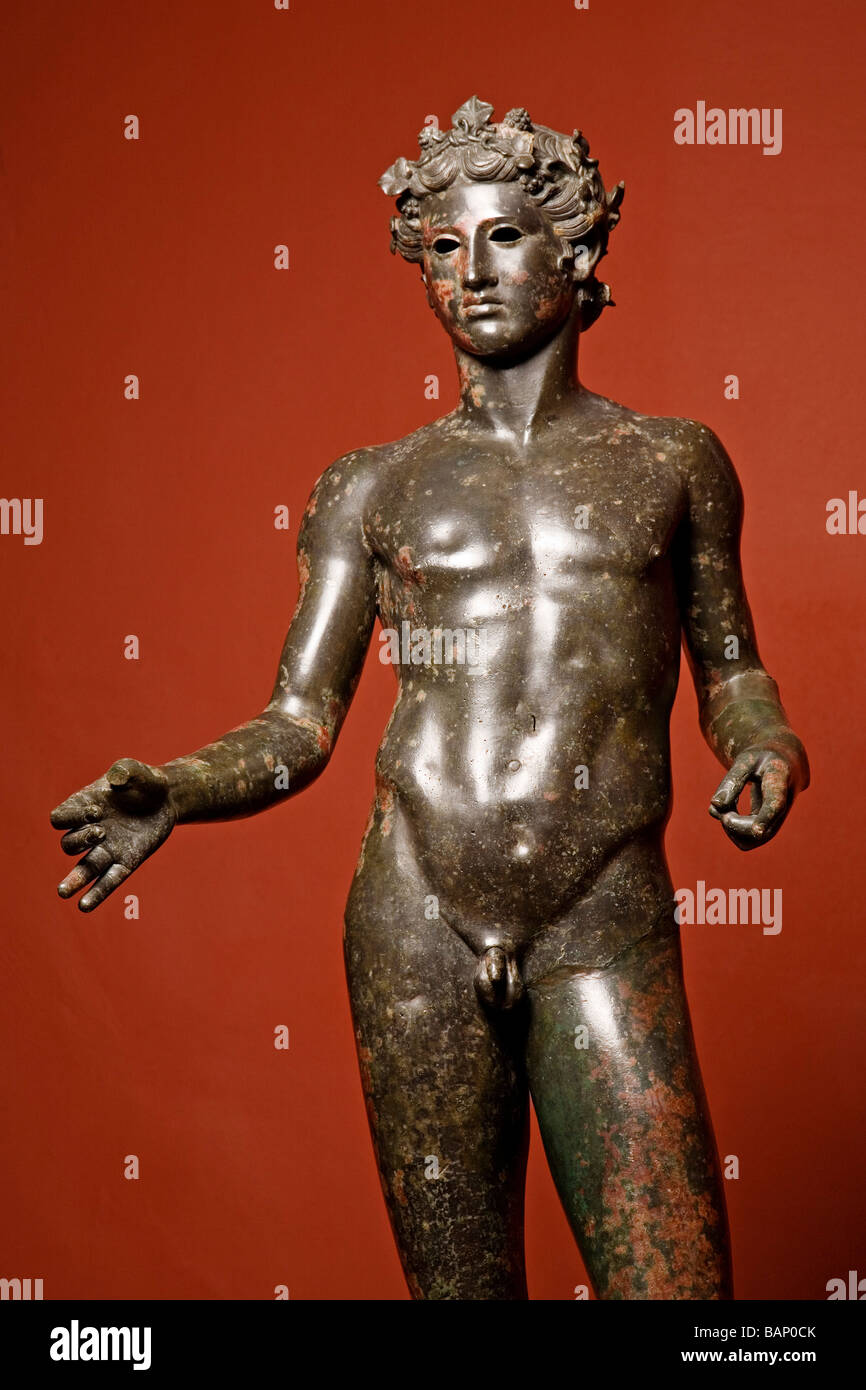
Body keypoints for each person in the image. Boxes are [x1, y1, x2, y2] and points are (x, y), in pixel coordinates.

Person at [51, 97, 809, 1300]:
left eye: (504, 236)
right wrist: (180, 788)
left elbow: (729, 667)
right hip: (415, 918)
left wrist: (765, 739)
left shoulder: (671, 461)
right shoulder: (371, 485)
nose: (472, 272)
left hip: (601, 911)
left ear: (574, 252)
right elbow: (300, 720)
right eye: (443, 247)